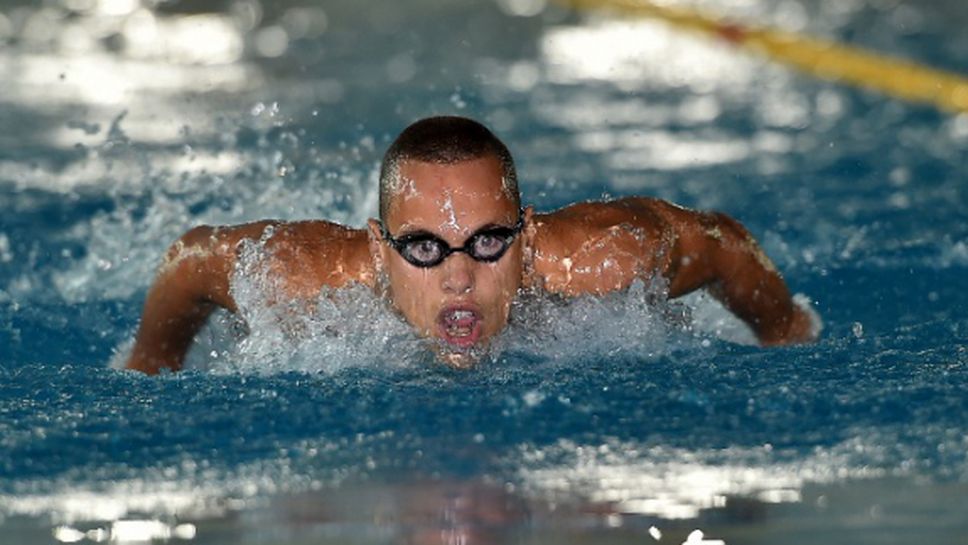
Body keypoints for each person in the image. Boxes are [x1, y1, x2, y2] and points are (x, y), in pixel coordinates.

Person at [125, 116, 816, 374]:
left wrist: (786, 335)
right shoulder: (307, 281)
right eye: (424, 248)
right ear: (379, 250)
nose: (459, 277)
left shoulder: (602, 260)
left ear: (528, 236)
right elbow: (192, 260)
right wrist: (152, 364)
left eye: (488, 242)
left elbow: (723, 244)